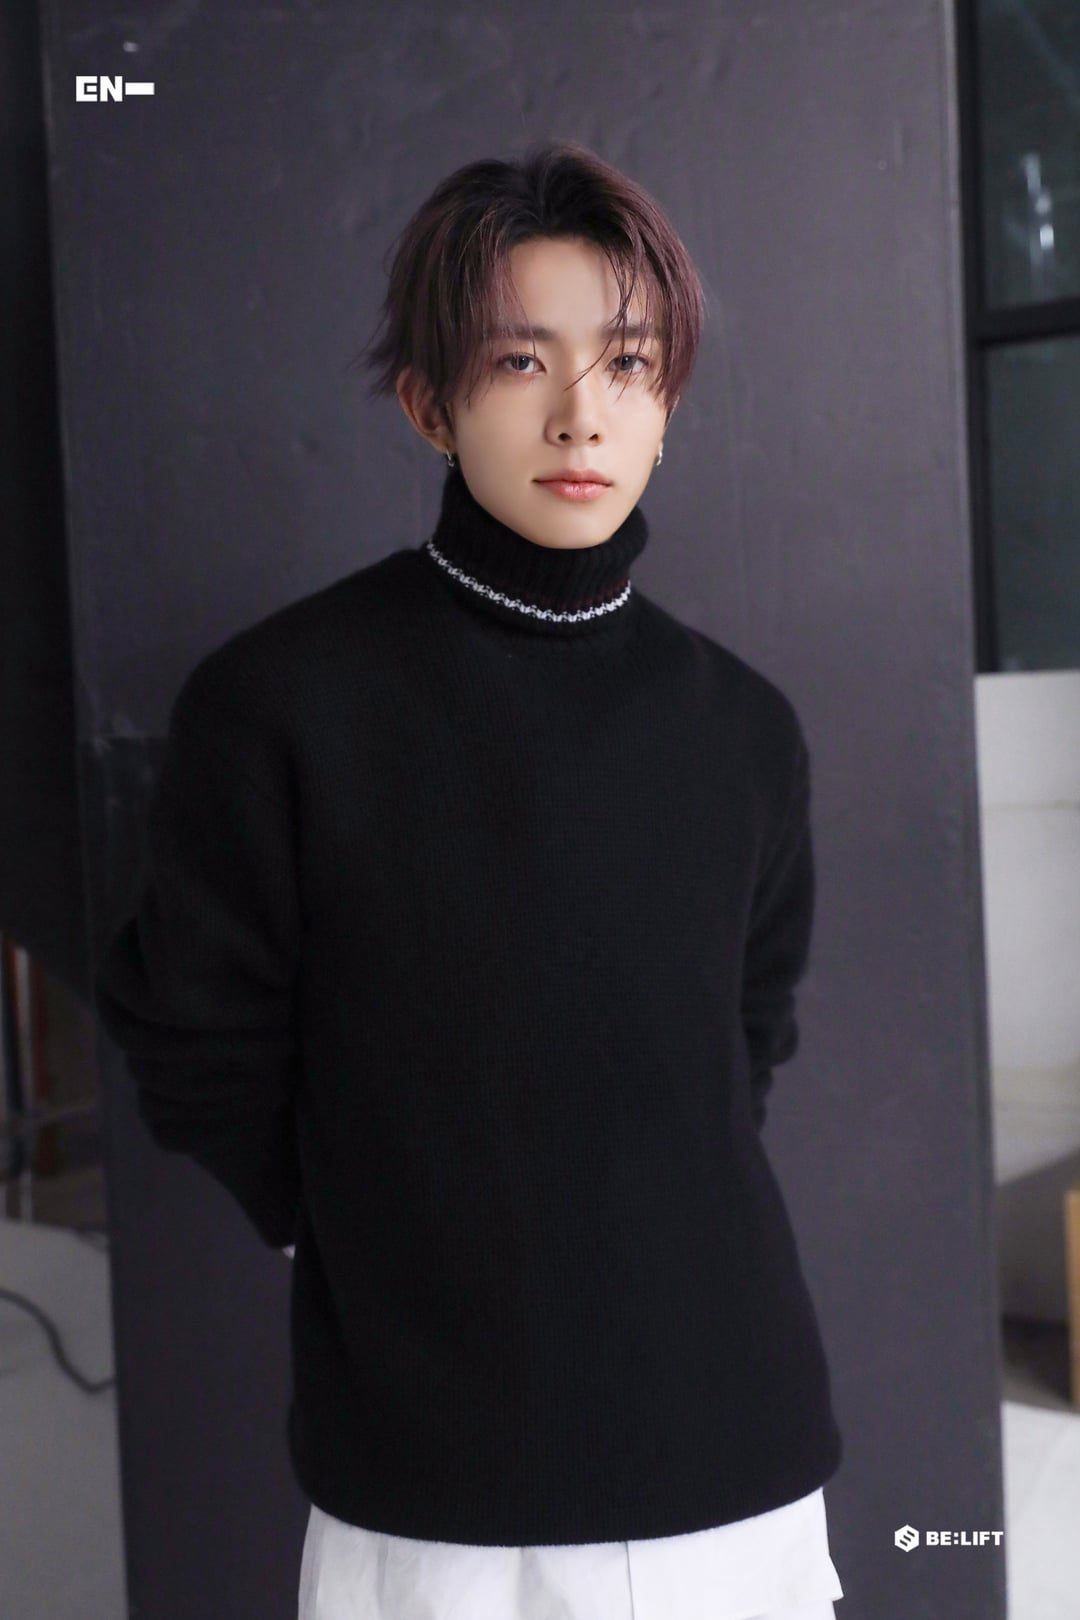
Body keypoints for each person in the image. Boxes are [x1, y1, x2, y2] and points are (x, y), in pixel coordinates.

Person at [94, 139, 845, 1620]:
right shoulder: (281, 703)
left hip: (736, 1438)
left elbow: (746, 1040)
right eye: (519, 360)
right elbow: (195, 1042)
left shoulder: (746, 726)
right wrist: (373, 1223)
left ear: (669, 401)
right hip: (436, 1474)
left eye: (628, 362)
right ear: (428, 402)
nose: (582, 412)